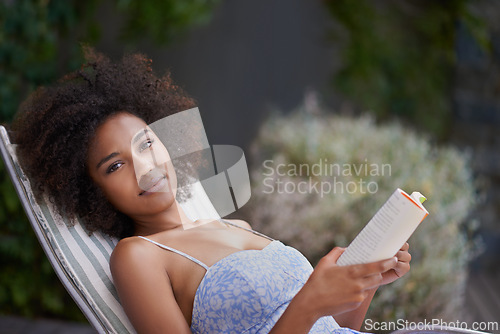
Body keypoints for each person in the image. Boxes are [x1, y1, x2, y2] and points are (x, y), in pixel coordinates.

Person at [12, 48, 411, 334]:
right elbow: (306, 317)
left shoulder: (237, 226)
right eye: (115, 166)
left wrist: (364, 283)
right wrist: (310, 302)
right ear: (92, 190)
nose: (145, 166)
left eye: (147, 143)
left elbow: (333, 327)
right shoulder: (138, 256)